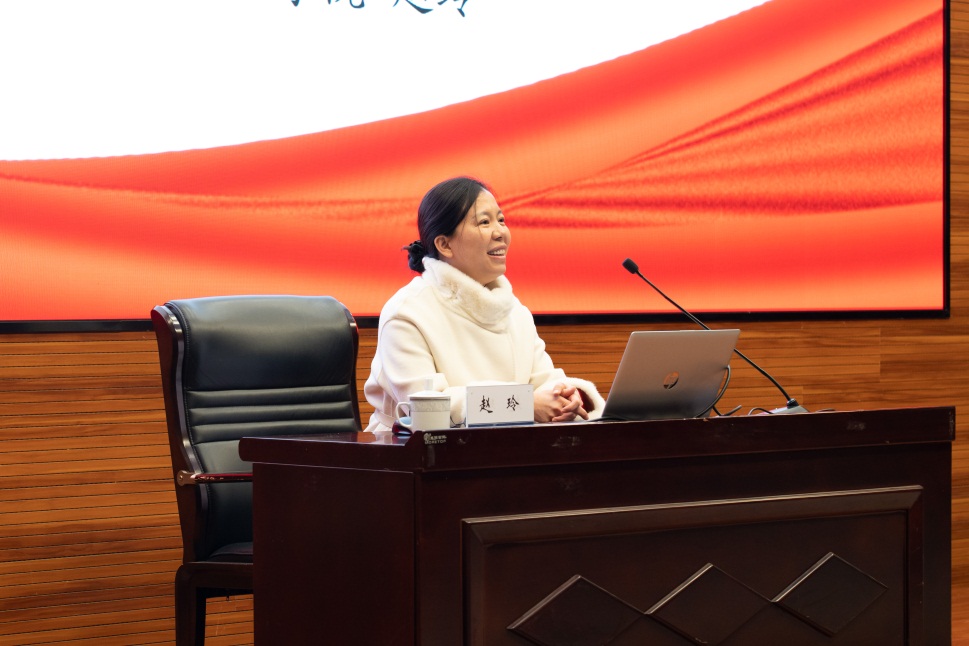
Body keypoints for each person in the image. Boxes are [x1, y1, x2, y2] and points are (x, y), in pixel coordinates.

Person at [364, 176, 604, 433]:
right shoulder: (407, 312)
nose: (500, 232)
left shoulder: (514, 311)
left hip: (505, 447)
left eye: (501, 220)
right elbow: (426, 407)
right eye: (484, 222)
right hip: (406, 449)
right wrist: (524, 405)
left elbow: (544, 381)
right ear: (444, 244)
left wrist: (568, 397)